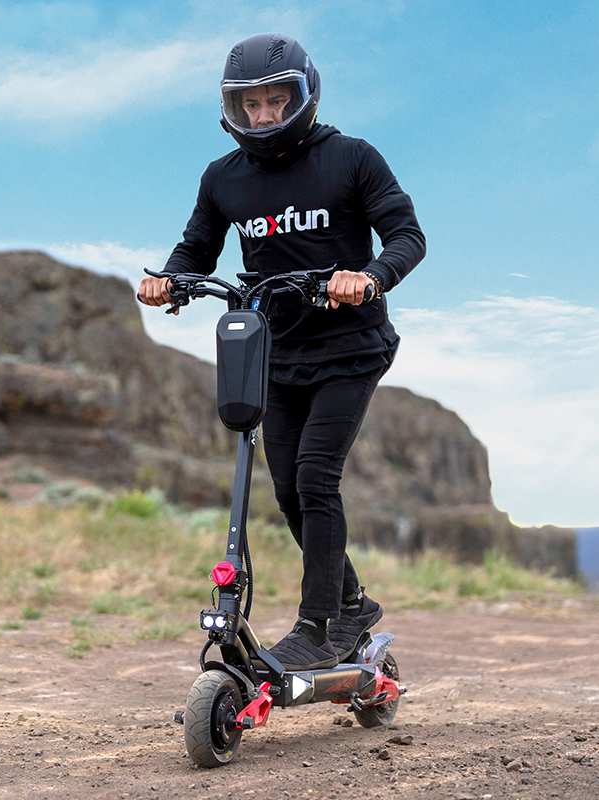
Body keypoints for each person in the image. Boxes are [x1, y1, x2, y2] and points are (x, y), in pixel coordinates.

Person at [138, 33, 425, 670]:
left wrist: (370, 277)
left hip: (351, 347)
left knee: (316, 477)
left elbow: (407, 235)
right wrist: (168, 280)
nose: (263, 115)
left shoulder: (351, 158)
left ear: (304, 96)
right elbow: (196, 250)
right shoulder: (223, 178)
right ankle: (353, 605)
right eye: (250, 104)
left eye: (276, 101)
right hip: (278, 352)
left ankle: (319, 627)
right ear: (233, 108)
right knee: (289, 491)